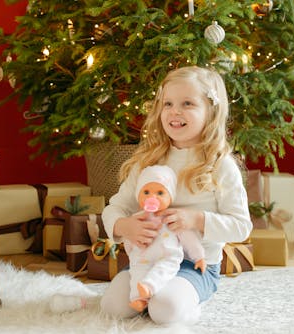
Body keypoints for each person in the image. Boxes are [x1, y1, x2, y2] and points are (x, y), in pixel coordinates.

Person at [100, 65, 252, 324]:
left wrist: (197, 220)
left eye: (188, 103)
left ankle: (187, 298)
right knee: (113, 308)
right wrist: (123, 226)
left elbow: (241, 227)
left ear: (211, 112)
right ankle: (154, 292)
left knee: (165, 310)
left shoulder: (219, 165)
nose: (175, 112)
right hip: (147, 261)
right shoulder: (149, 160)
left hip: (196, 265)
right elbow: (115, 207)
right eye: (168, 103)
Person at [126, 165, 206, 313]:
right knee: (136, 272)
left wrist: (199, 256)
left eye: (160, 193)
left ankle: (149, 287)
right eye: (146, 192)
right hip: (142, 257)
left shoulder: (173, 217)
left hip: (167, 256)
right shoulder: (137, 218)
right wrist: (130, 248)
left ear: (170, 197)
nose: (152, 197)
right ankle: (138, 299)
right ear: (138, 195)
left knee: (163, 270)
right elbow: (129, 238)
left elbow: (189, 238)